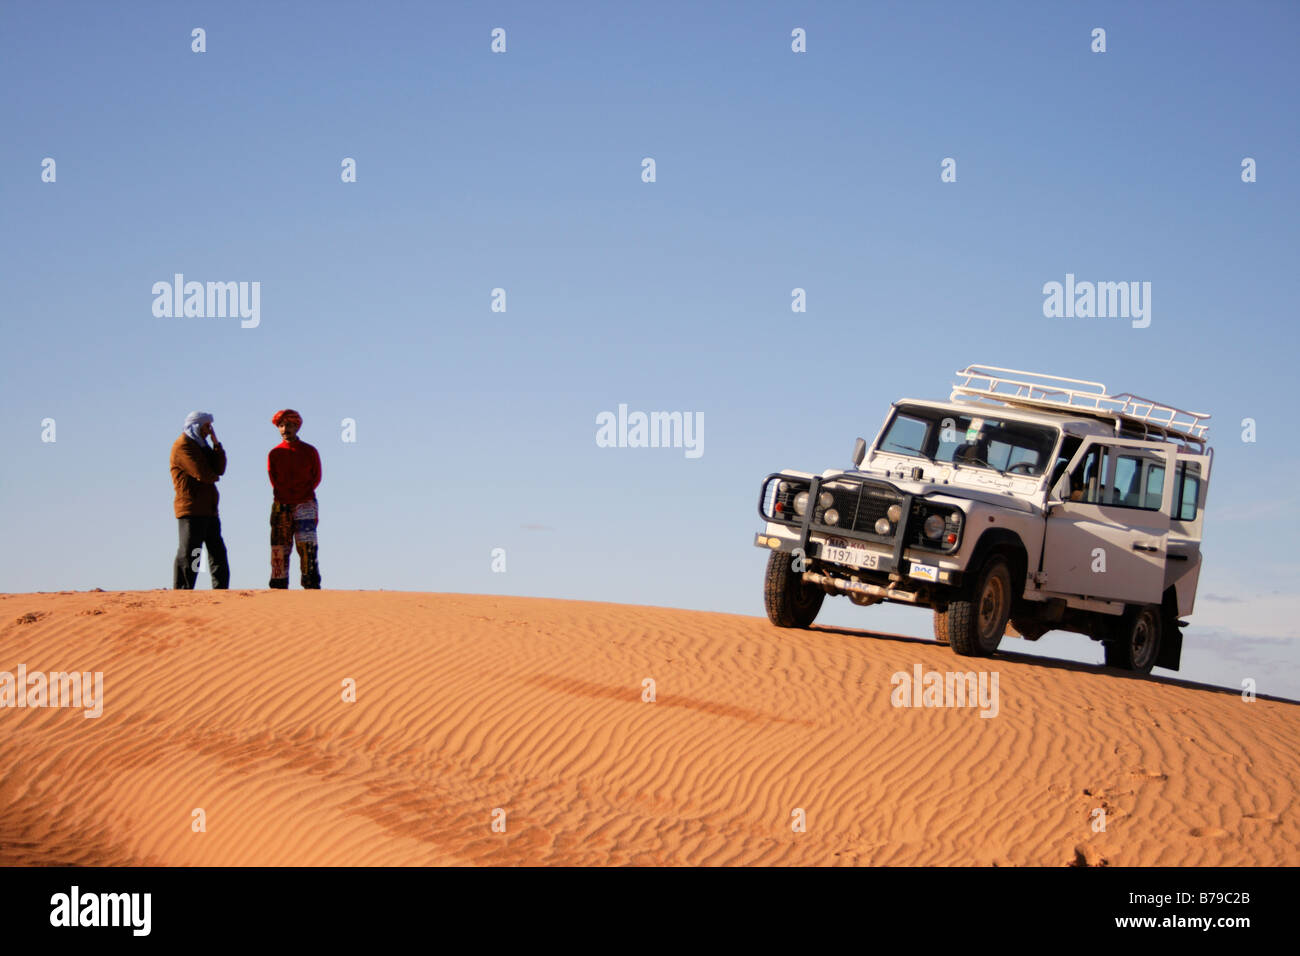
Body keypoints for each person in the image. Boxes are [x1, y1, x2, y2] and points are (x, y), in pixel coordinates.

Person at [170, 411, 230, 589]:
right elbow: (203, 474)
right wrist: (213, 475)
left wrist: (216, 443)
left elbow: (219, 469)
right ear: (196, 426)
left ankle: (221, 590)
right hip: (191, 509)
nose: (208, 430)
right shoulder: (183, 446)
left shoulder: (202, 446)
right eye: (206, 426)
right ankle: (184, 590)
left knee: (217, 552)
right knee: (192, 553)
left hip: (209, 509)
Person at [267, 409, 322, 589]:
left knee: (307, 546)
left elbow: (316, 477)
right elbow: (273, 478)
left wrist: (302, 493)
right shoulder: (274, 454)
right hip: (281, 504)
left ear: (296, 427)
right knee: (279, 548)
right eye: (281, 426)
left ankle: (311, 584)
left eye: (289, 425)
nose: (285, 429)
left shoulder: (309, 451)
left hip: (305, 503)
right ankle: (278, 585)